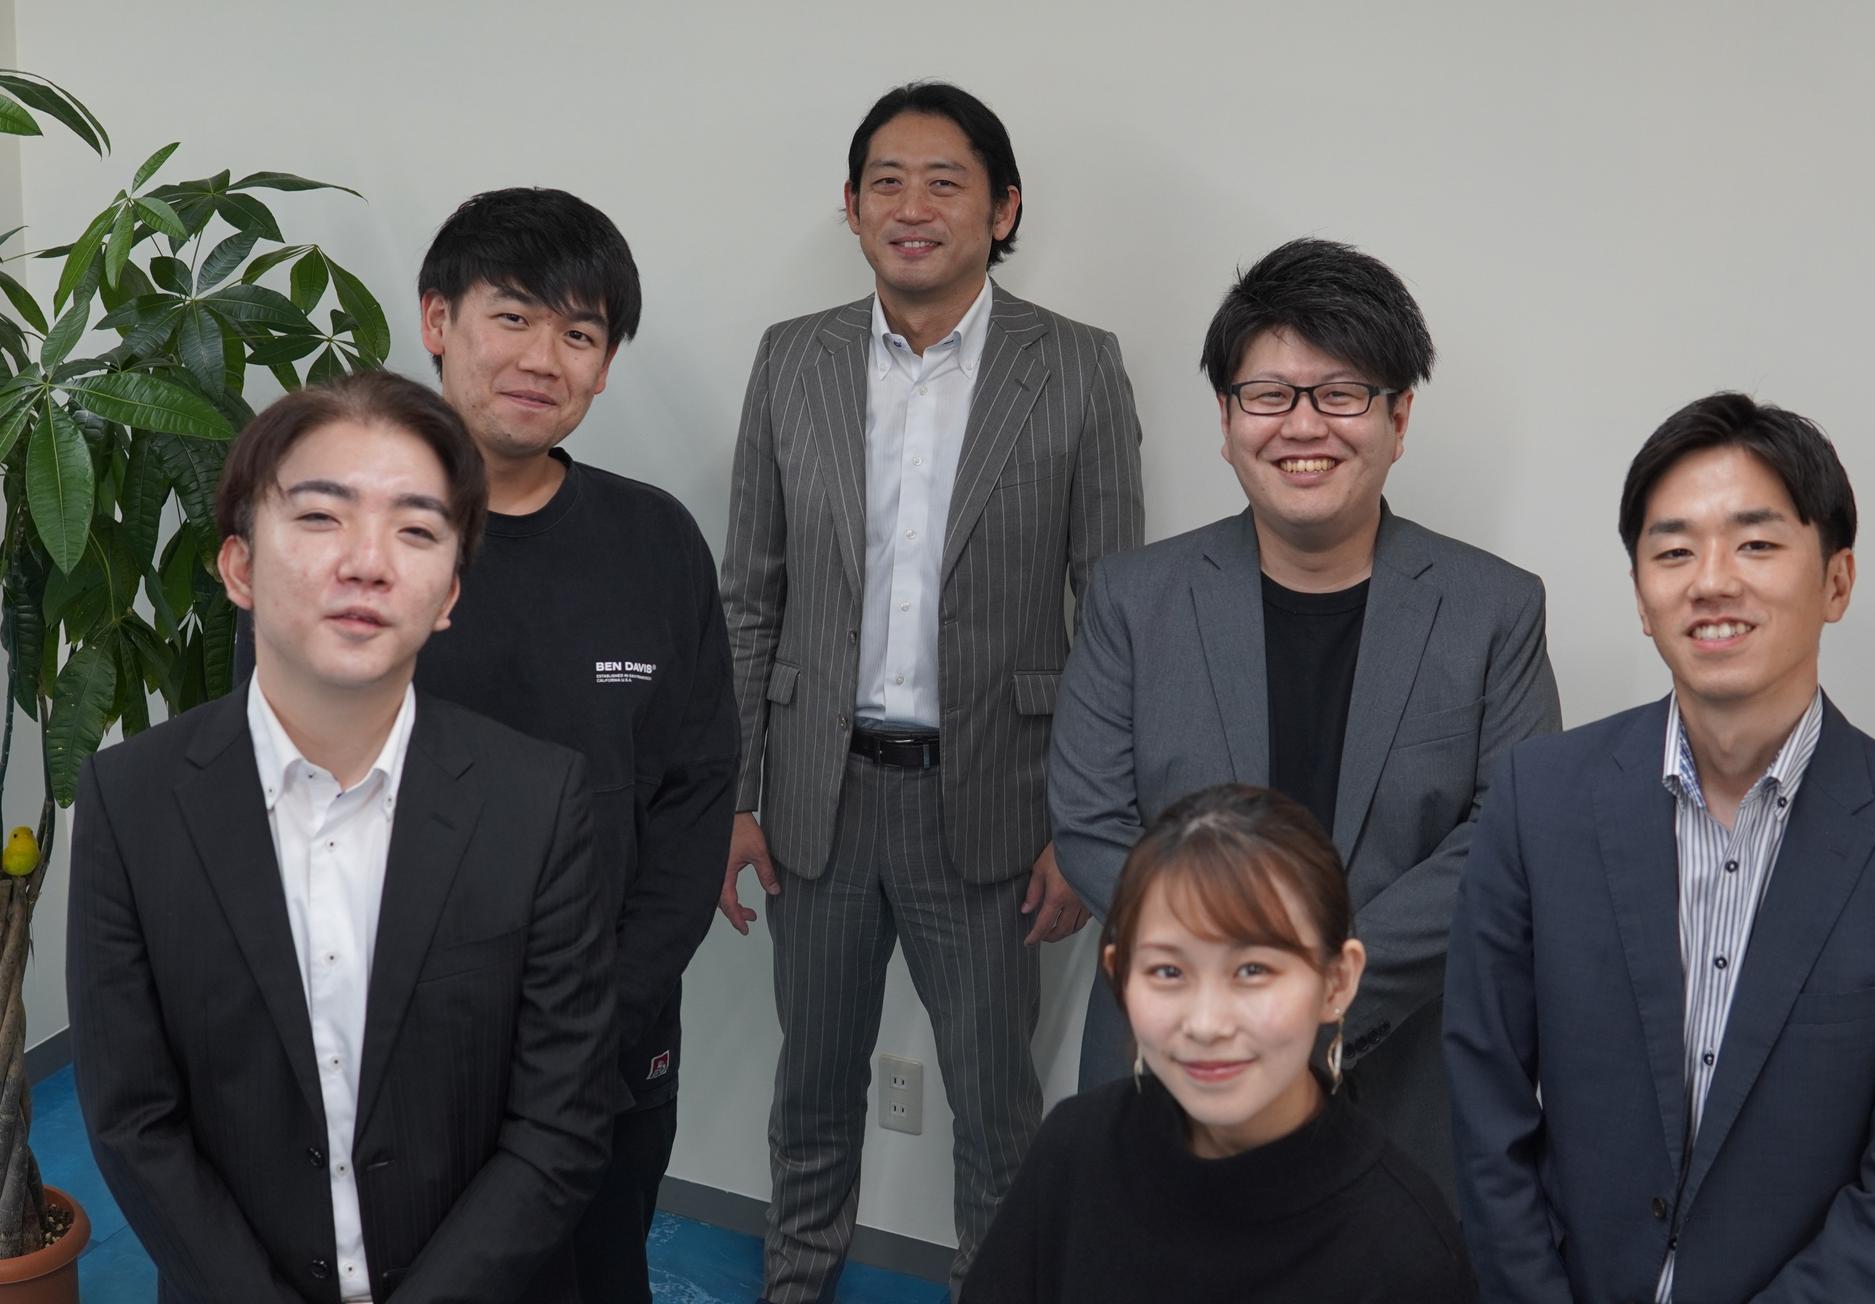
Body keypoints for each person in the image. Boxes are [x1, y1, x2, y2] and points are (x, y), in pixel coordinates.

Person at [719, 81, 1145, 1301]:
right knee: (810, 1091)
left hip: (1000, 806)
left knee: (997, 1107)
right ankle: (794, 1283)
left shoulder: (1075, 365)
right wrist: (737, 794)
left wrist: (1084, 824)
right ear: (851, 208)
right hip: (818, 796)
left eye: (944, 181)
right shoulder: (791, 356)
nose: (912, 206)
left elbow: (1112, 610)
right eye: (886, 182)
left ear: (1001, 208)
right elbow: (749, 594)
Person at [69, 370, 615, 1303]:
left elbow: (560, 1123)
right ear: (239, 566)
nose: (368, 562)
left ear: (449, 593)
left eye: (416, 530)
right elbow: (134, 1119)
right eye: (321, 517)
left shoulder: (538, 801)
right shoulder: (132, 800)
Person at [1048, 236, 1559, 1197]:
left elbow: (1508, 836)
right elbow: (1089, 824)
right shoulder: (1133, 599)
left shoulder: (1494, 609)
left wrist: (1317, 1000)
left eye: (1342, 393)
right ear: (1227, 418)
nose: (1303, 424)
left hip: (1396, 1067)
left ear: (1399, 418)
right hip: (1173, 1059)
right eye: (1270, 394)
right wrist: (1234, 988)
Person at [1446, 392, 1875, 1301]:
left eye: (1756, 544)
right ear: (1642, 599)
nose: (1712, 581)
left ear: (1836, 582)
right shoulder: (1539, 799)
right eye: (1674, 550)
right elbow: (1485, 1100)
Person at [412, 187, 739, 1303]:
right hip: (397, 1044)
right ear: (438, 319)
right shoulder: (347, 531)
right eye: (512, 316)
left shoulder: (654, 541)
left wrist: (610, 1003)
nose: (542, 358)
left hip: (607, 1037)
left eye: (580, 333)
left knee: (596, 1276)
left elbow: (696, 791)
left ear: (604, 367)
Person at [965, 784, 1476, 1303]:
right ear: (1121, 977)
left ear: (1337, 982)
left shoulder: (1405, 1246)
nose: (1207, 1024)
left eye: (1253, 971)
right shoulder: (1071, 1153)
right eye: (1169, 971)